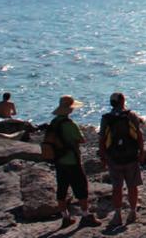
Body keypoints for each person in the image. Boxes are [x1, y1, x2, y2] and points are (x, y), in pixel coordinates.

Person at [49, 95, 100, 228]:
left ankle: (65, 217)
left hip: (59, 160)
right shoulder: (70, 124)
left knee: (62, 189)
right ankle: (85, 215)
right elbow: (81, 139)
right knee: (81, 188)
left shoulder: (54, 123)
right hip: (72, 160)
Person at [98, 93, 144, 227]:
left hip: (114, 157)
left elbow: (102, 139)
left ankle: (117, 215)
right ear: (122, 101)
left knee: (116, 187)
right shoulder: (131, 115)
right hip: (131, 156)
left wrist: (103, 157)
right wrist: (141, 151)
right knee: (132, 186)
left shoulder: (106, 118)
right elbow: (139, 135)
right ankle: (133, 212)